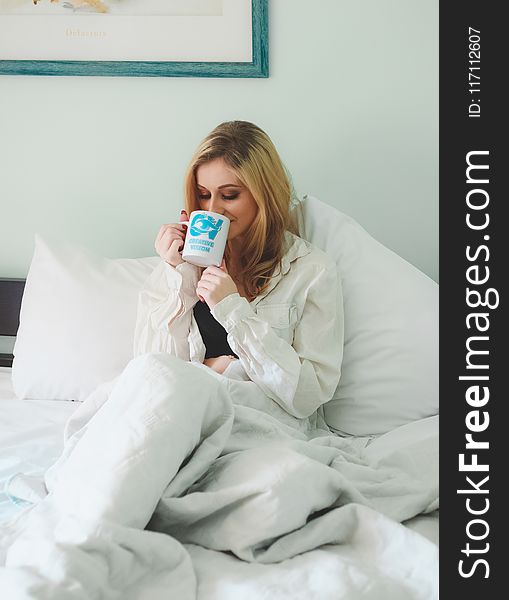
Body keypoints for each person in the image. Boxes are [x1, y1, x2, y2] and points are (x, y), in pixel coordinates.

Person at [134, 120, 344, 425]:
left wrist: (233, 312)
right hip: (180, 421)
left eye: (229, 195)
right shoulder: (181, 265)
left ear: (264, 196)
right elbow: (148, 378)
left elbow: (306, 396)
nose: (213, 209)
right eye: (203, 194)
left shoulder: (311, 271)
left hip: (259, 430)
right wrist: (177, 275)